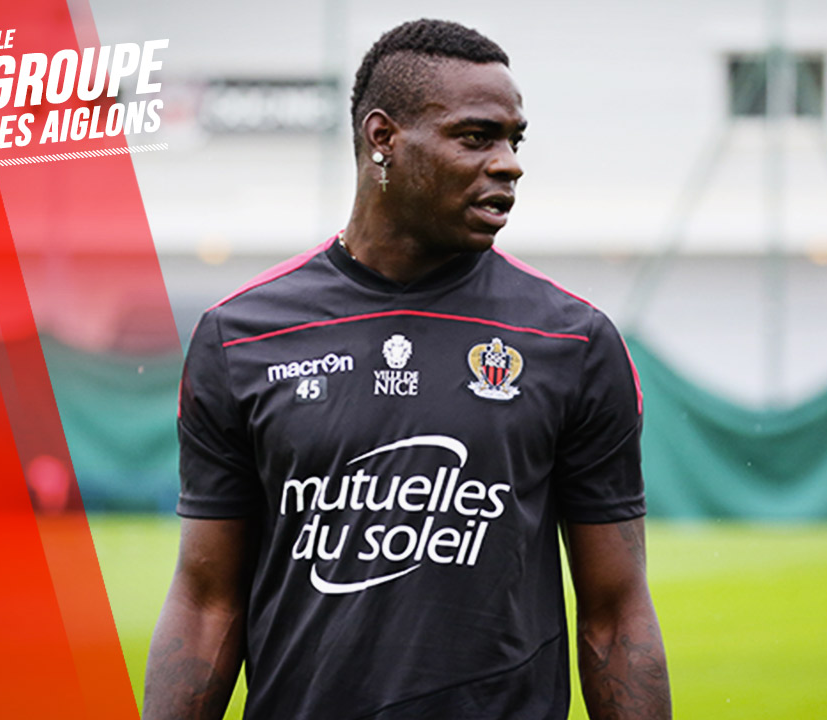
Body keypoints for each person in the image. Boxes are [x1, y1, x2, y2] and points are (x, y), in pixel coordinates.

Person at [142, 18, 671, 720]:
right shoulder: (241, 339)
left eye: (514, 141)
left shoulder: (572, 342)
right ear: (383, 138)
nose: (509, 163)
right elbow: (207, 601)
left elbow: (615, 611)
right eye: (476, 137)